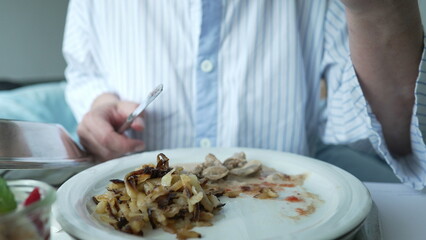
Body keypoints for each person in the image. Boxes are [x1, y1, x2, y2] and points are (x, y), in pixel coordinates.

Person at [63, 0, 426, 190]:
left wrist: (378, 8)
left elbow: (398, 139)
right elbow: (84, 71)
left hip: (288, 212)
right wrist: (100, 105)